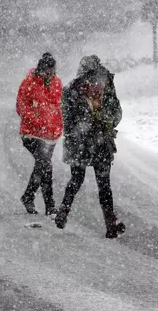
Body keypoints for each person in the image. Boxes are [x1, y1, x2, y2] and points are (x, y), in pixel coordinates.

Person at [54, 55, 126, 238]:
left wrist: (78, 131)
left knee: (76, 179)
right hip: (100, 141)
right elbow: (116, 112)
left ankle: (63, 210)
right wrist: (107, 123)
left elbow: (67, 120)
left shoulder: (71, 89)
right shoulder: (105, 86)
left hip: (80, 143)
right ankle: (110, 223)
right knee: (103, 184)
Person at [16, 52, 63, 216]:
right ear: (40, 69)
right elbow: (21, 107)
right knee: (45, 164)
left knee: (44, 166)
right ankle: (49, 205)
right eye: (46, 71)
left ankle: (30, 198)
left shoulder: (57, 83)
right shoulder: (28, 83)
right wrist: (37, 121)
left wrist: (58, 124)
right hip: (31, 134)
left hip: (51, 135)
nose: (49, 75)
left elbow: (59, 106)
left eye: (52, 72)